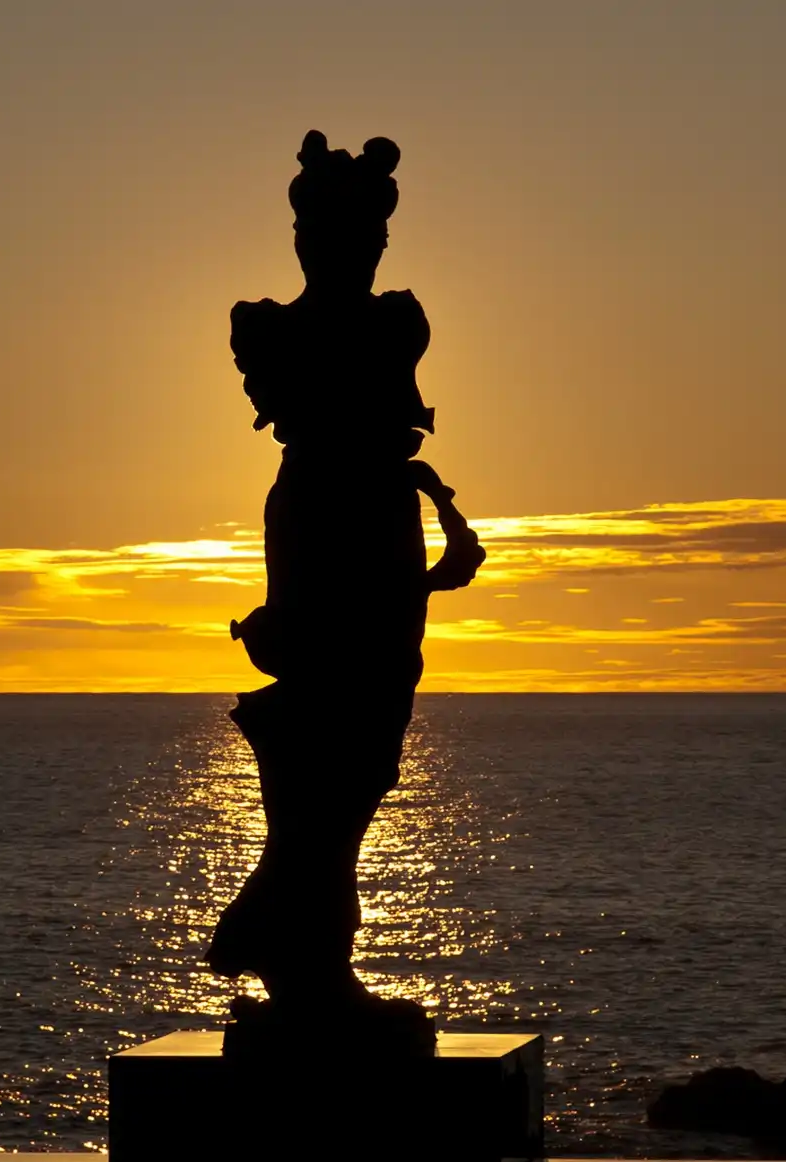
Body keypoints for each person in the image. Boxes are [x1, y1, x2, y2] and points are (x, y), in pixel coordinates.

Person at [205, 131, 483, 1046]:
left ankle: (308, 958)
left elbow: (387, 431)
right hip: (333, 521)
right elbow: (347, 422)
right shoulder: (287, 327)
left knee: (360, 752)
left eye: (365, 237)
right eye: (332, 234)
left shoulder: (379, 322)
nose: (351, 251)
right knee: (333, 750)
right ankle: (305, 961)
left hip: (371, 523)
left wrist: (434, 524)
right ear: (307, 239)